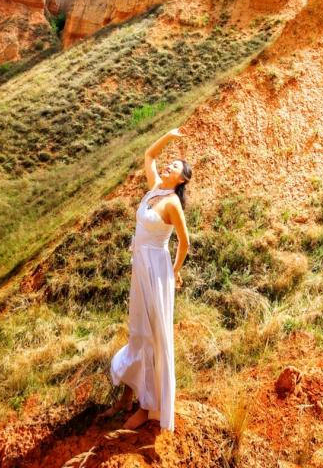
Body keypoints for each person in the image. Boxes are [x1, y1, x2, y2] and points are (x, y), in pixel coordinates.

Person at [102, 127, 191, 431]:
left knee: (152, 337)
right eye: (170, 163)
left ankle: (148, 408)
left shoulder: (173, 204)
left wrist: (175, 271)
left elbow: (185, 242)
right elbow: (149, 155)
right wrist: (168, 135)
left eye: (175, 167)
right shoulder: (155, 189)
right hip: (141, 268)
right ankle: (129, 395)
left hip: (156, 271)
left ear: (182, 180)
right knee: (138, 330)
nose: (168, 165)